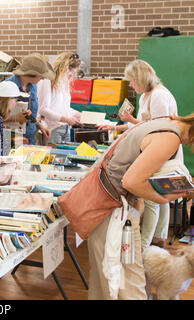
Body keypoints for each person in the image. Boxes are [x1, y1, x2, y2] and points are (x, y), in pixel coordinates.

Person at [87, 113, 194, 300]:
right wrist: (163, 198)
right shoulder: (170, 138)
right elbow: (131, 182)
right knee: (127, 286)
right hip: (114, 211)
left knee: (110, 282)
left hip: (110, 206)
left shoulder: (166, 123)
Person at [97, 59, 179, 248]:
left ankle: (144, 244)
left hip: (161, 148)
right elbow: (143, 125)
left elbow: (159, 129)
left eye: (132, 81)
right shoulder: (146, 96)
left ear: (140, 78)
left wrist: (130, 122)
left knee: (152, 196)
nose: (131, 86)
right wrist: (117, 127)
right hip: (153, 147)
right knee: (160, 193)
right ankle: (158, 237)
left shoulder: (158, 95)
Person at [5, 53, 54, 145]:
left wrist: (40, 126)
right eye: (41, 76)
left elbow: (30, 114)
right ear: (32, 74)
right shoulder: (7, 87)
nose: (43, 79)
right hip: (12, 140)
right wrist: (15, 118)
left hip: (30, 139)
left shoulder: (33, 87)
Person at [36, 52, 82, 145]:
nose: (71, 75)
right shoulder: (48, 80)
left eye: (74, 73)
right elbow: (43, 109)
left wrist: (80, 115)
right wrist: (67, 119)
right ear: (63, 68)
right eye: (70, 72)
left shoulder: (64, 83)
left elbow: (62, 108)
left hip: (66, 128)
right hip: (52, 129)